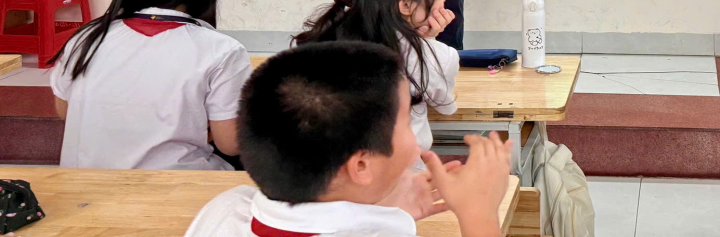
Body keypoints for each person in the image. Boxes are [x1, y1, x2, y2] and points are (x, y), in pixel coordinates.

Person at [183, 42, 512, 237]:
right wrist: (479, 215)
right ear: (361, 165)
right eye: (406, 123)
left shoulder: (226, 208)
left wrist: (378, 211)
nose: (415, 142)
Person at [49, 0, 250, 170]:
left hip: (84, 183)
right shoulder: (223, 50)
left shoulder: (86, 38)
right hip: (177, 184)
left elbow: (65, 112)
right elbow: (230, 143)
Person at [295, 0, 460, 171]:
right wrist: (428, 42)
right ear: (406, 6)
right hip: (398, 176)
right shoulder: (436, 56)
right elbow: (446, 106)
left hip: (325, 172)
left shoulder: (323, 40)